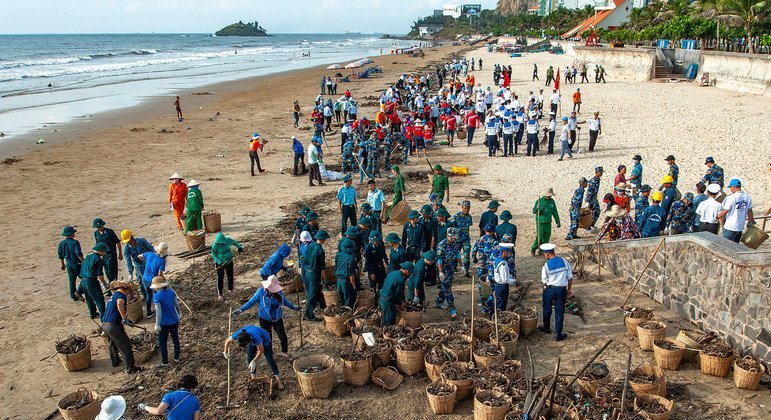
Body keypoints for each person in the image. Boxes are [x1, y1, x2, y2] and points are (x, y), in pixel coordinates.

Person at [234, 275, 299, 359]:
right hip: (264, 319)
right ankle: (270, 353)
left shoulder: (279, 293)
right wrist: (240, 310)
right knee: (268, 337)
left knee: (282, 336)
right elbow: (251, 302)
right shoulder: (260, 292)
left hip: (277, 318)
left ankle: (285, 352)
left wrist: (294, 307)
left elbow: (285, 301)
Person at [101, 280, 142, 373]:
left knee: (112, 344)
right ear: (126, 288)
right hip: (113, 326)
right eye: (130, 290)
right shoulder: (121, 295)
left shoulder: (114, 295)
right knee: (125, 345)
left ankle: (115, 361)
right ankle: (130, 368)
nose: (129, 293)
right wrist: (124, 318)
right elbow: (120, 304)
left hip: (105, 324)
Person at [223, 324, 284, 389]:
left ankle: (278, 380)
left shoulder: (256, 338)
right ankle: (253, 378)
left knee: (269, 359)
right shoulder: (239, 335)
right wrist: (225, 351)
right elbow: (227, 341)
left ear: (249, 341)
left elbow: (261, 350)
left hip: (264, 339)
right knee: (249, 358)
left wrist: (254, 361)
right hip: (250, 338)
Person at [537, 243, 572, 341]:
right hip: (562, 290)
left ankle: (546, 328)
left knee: (547, 309)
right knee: (559, 311)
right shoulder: (565, 262)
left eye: (544, 254)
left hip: (550, 290)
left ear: (547, 254)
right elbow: (570, 278)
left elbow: (544, 280)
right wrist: (569, 289)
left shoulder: (546, 265)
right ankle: (558, 334)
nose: (544, 256)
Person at [150, 276, 181, 367]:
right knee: (175, 339)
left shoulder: (157, 296)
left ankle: (165, 361)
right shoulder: (171, 292)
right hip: (174, 320)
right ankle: (176, 357)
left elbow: (158, 312)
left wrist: (157, 324)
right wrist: (179, 314)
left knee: (163, 342)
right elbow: (177, 304)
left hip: (163, 323)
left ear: (157, 287)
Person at [436, 227, 462, 318]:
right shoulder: (441, 245)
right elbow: (439, 260)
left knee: (446, 286)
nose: (453, 239)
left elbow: (458, 254)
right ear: (447, 236)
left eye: (454, 237)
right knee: (447, 290)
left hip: (451, 268)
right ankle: (452, 309)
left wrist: (462, 266)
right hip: (443, 269)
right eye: (451, 237)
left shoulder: (456, 243)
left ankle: (439, 301)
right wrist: (440, 272)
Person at [718, 178, 754, 243]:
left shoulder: (731, 197)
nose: (731, 189)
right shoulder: (747, 197)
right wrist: (750, 221)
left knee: (726, 245)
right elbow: (750, 211)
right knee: (735, 246)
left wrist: (717, 216)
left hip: (730, 226)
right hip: (740, 227)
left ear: (734, 187)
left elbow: (725, 210)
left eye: (731, 187)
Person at [303, 230, 329, 321]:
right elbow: (322, 267)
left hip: (307, 271)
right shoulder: (320, 250)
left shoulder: (310, 245)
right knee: (313, 294)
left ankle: (323, 306)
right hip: (314, 273)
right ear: (323, 239)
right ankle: (308, 314)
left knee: (317, 290)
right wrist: (325, 279)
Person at [79, 242, 109, 319]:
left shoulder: (88, 257)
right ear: (100, 251)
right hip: (91, 281)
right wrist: (105, 284)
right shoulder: (99, 260)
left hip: (83, 280)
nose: (105, 253)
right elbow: (100, 274)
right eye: (104, 251)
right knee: (99, 299)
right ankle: (104, 317)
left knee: (89, 298)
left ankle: (92, 313)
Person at [211, 233, 244, 300]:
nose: (220, 244)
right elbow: (214, 255)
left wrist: (239, 247)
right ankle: (220, 294)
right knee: (220, 278)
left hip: (229, 261)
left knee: (230, 275)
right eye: (219, 243)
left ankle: (230, 289)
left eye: (221, 242)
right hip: (220, 263)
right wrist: (219, 261)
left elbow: (234, 242)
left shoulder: (227, 240)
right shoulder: (215, 245)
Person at [380, 262, 413, 326]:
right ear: (406, 271)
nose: (409, 275)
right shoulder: (400, 280)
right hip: (388, 300)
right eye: (409, 273)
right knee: (389, 320)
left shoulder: (392, 273)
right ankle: (387, 332)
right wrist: (400, 304)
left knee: (387, 316)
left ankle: (385, 329)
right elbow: (398, 294)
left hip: (382, 297)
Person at [140, 243, 169, 318]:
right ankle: (161, 311)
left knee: (148, 295)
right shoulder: (162, 261)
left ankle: (148, 312)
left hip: (145, 278)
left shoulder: (150, 254)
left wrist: (146, 261)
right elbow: (160, 274)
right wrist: (165, 282)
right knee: (157, 295)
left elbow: (139, 256)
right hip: (154, 281)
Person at [93, 218, 122, 284]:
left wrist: (120, 253)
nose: (99, 228)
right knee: (107, 270)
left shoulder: (110, 232)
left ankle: (113, 284)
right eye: (97, 227)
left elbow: (117, 242)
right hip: (103, 254)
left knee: (112, 270)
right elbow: (97, 244)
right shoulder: (96, 234)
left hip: (111, 253)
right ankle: (111, 284)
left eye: (100, 226)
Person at [58, 226, 83, 301]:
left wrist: (63, 264)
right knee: (84, 278)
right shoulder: (75, 242)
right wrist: (83, 261)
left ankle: (73, 295)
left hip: (68, 264)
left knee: (72, 281)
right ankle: (79, 292)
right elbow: (78, 253)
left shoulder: (61, 243)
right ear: (72, 234)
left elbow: (60, 255)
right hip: (77, 263)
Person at [532, 188, 560, 255]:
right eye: (549, 195)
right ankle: (533, 248)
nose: (550, 196)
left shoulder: (552, 201)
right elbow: (534, 211)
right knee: (539, 236)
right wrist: (537, 208)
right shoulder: (539, 201)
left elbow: (555, 212)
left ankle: (542, 250)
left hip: (548, 222)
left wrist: (557, 221)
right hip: (540, 222)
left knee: (547, 236)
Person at [451, 200, 474, 277]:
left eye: (468, 208)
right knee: (455, 255)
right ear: (462, 207)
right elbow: (451, 228)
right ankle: (453, 269)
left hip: (466, 239)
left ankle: (466, 271)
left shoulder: (469, 217)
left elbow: (468, 227)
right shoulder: (456, 217)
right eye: (465, 208)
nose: (467, 210)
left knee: (467, 255)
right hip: (457, 240)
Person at [491, 243, 516, 311]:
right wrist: (513, 281)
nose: (509, 255)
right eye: (508, 253)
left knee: (496, 303)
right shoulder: (503, 265)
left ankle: (492, 317)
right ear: (504, 252)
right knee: (501, 306)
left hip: (497, 285)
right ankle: (497, 320)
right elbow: (504, 279)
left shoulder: (497, 259)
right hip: (502, 287)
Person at [335, 240, 358, 307]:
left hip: (339, 280)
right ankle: (348, 313)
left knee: (341, 298)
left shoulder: (338, 255)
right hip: (346, 281)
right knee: (348, 299)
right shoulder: (351, 259)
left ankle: (342, 311)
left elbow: (336, 267)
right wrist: (354, 285)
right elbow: (351, 274)